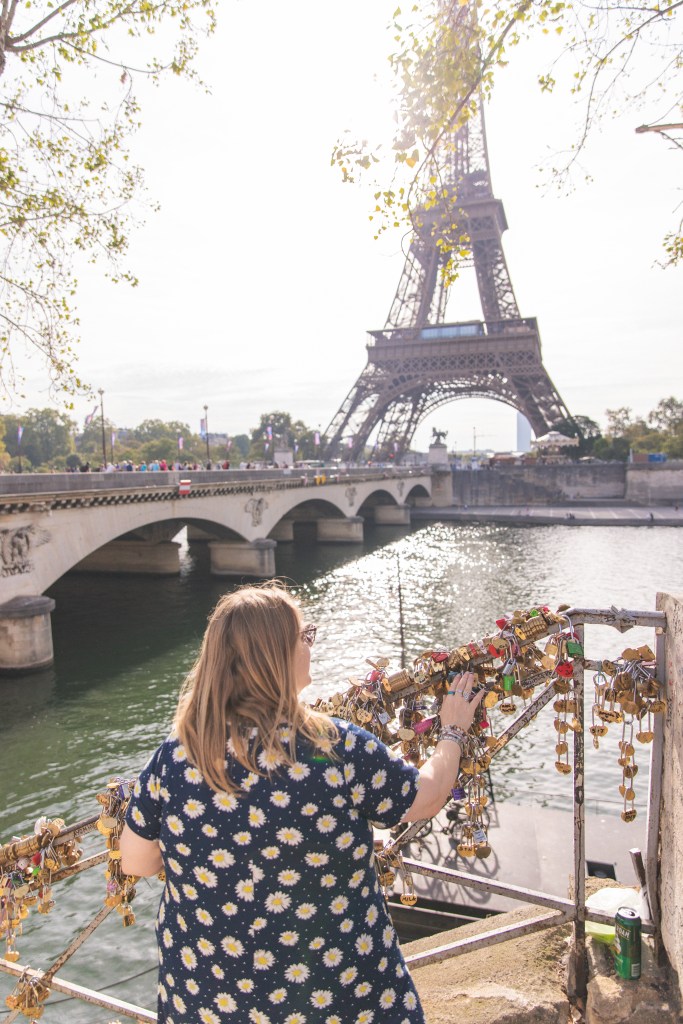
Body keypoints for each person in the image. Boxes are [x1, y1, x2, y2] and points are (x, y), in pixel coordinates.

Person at [120, 582, 483, 1024]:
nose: (310, 646)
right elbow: (426, 796)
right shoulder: (332, 746)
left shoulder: (176, 757)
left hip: (209, 1001)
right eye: (304, 636)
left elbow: (136, 861)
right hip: (339, 997)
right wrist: (452, 731)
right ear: (276, 656)